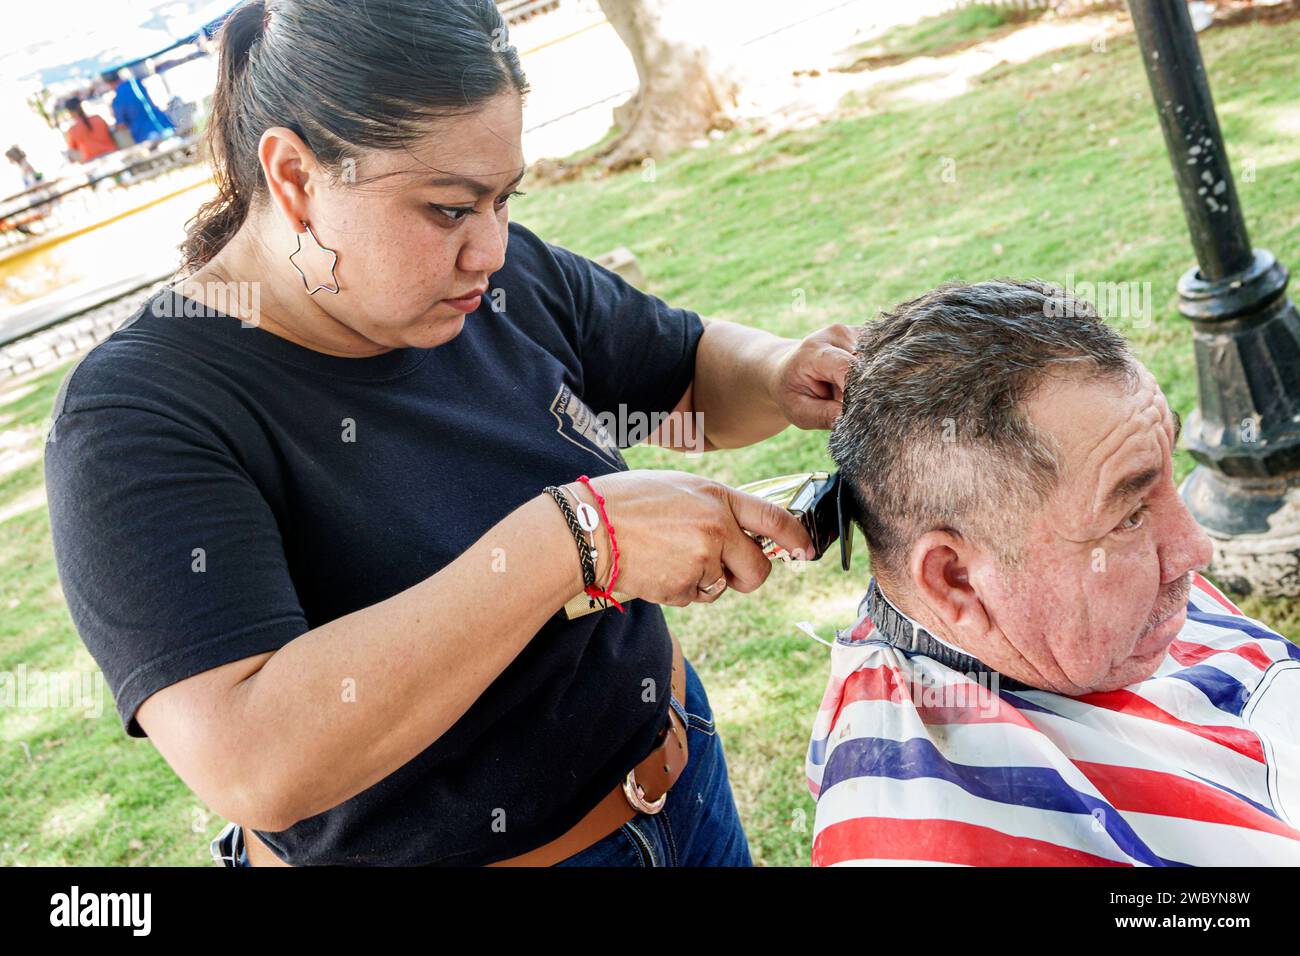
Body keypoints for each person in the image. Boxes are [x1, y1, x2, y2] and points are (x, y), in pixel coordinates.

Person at [45, 0, 855, 867]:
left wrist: (778, 371)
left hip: (680, 789)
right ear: (293, 177)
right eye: (448, 209)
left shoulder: (493, 283)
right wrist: (570, 542)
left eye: (503, 200)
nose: (490, 250)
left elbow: (686, 374)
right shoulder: (138, 417)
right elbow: (252, 760)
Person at [807, 280, 1300, 866]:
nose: (1196, 548)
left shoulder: (1078, 611)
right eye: (1130, 515)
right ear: (956, 580)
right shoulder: (923, 844)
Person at [102, 67, 174, 145]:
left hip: (146, 135)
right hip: (163, 123)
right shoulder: (136, 83)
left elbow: (121, 125)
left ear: (108, 83)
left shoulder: (117, 100)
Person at [63, 96, 118, 162]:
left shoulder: (72, 130)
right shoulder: (98, 118)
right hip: (112, 154)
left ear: (70, 112)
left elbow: (72, 150)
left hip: (92, 161)